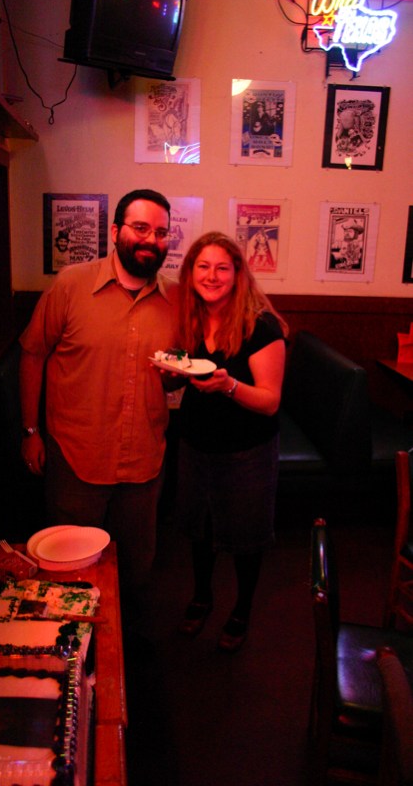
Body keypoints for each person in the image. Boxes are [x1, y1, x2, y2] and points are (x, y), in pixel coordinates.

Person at [19, 189, 178, 607]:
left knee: (136, 571)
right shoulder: (72, 284)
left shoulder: (176, 300)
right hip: (76, 458)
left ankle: (123, 657)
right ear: (115, 231)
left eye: (161, 232)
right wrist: (31, 430)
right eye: (140, 227)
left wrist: (178, 380)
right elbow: (33, 353)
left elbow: (176, 379)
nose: (151, 239)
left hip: (143, 463)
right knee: (68, 572)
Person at [174, 231, 288, 652]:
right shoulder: (191, 316)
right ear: (190, 273)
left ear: (238, 273)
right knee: (199, 530)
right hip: (195, 444)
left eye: (222, 267)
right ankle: (202, 596)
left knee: (245, 537)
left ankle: (241, 608)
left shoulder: (261, 325)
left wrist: (229, 386)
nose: (212, 275)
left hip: (247, 451)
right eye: (203, 266)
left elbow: (270, 401)